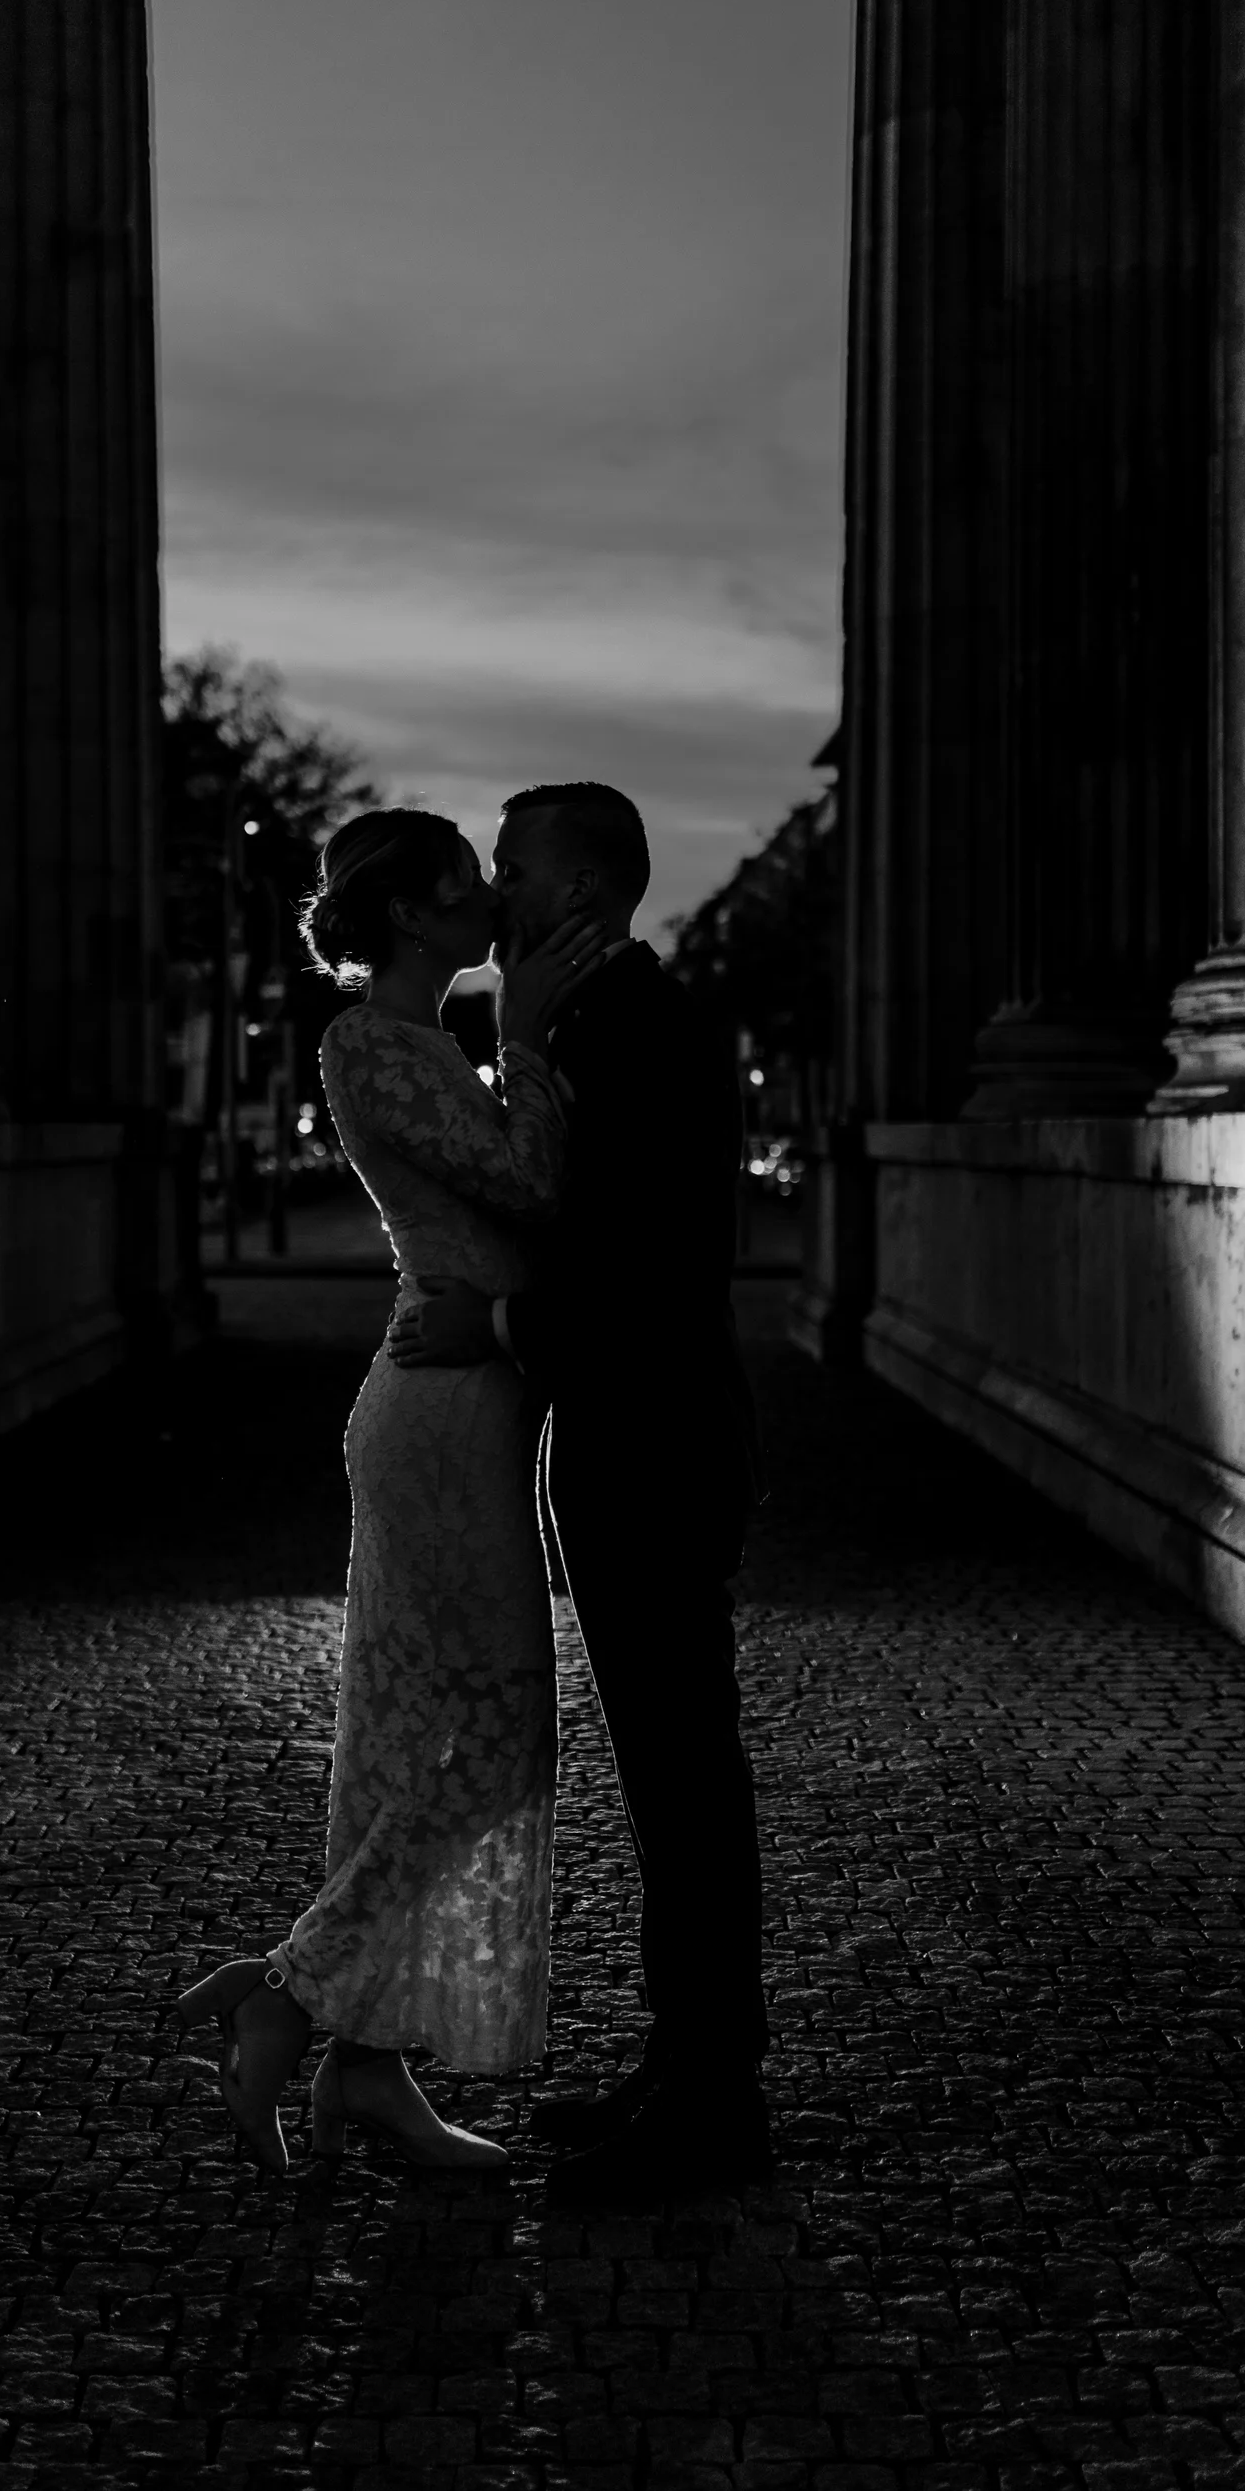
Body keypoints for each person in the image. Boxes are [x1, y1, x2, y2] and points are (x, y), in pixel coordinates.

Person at [177, 807, 605, 2175]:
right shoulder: (369, 1043)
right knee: (499, 1734)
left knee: (412, 1728)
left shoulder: (420, 1043)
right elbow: (532, 1189)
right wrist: (527, 1039)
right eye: (467, 880)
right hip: (435, 1417)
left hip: (468, 1406)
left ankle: (367, 2071)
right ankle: (296, 1993)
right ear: (415, 914)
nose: (493, 896)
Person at [389, 781, 769, 2205]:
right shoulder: (610, 1026)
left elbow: (643, 1277)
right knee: (673, 1778)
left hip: (655, 1448)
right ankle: (690, 2068)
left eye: (513, 867)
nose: (495, 890)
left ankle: (716, 2100)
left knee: (684, 1780)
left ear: (583, 893)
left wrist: (494, 1333)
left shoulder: (650, 1037)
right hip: (637, 1448)